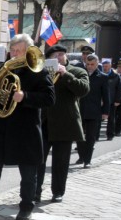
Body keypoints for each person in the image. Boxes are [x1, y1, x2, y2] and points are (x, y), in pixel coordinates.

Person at [0, 34, 55, 220]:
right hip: (2, 126)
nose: (14, 54)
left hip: (26, 129)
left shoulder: (38, 70)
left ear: (29, 52)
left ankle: (26, 207)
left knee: (28, 172)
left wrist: (25, 96)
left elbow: (49, 98)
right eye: (13, 50)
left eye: (19, 51)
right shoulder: (3, 67)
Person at [35, 44, 89, 203]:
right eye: (53, 56)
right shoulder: (42, 72)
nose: (57, 58)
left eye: (60, 55)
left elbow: (83, 90)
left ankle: (58, 191)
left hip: (65, 123)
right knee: (38, 160)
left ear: (66, 56)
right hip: (43, 122)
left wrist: (65, 75)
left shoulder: (77, 71)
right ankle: (35, 191)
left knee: (61, 162)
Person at [75, 54, 110, 168]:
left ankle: (87, 160)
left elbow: (106, 97)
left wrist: (105, 112)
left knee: (90, 137)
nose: (90, 67)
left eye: (92, 64)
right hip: (79, 111)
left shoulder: (102, 77)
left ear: (97, 64)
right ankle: (81, 156)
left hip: (94, 112)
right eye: (88, 64)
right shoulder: (81, 75)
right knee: (79, 137)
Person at [103, 59, 121, 141]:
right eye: (104, 66)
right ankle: (95, 135)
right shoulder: (99, 74)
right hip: (100, 101)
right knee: (97, 119)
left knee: (111, 119)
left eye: (107, 66)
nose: (105, 68)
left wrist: (117, 100)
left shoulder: (115, 76)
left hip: (111, 101)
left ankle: (110, 135)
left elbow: (119, 89)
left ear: (110, 66)